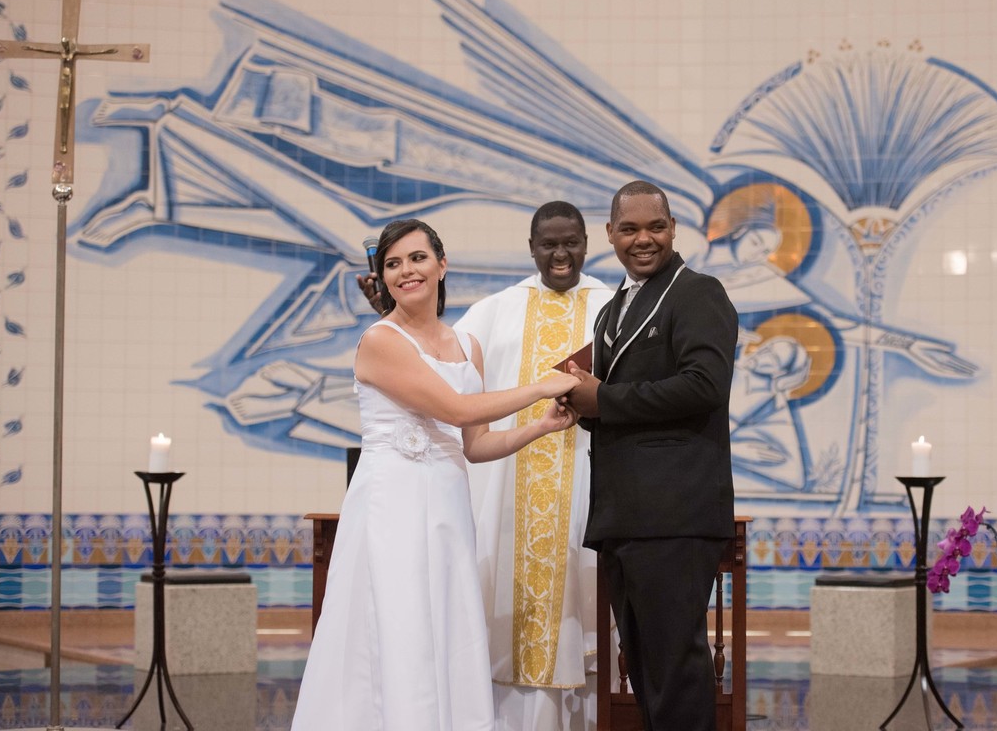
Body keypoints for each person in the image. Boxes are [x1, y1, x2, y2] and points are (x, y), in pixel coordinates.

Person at [292, 219, 580, 731]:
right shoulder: (380, 341)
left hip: (447, 505)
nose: (407, 271)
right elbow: (455, 408)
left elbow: (477, 443)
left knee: (444, 623)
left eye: (418, 258)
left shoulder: (468, 345)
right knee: (397, 623)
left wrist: (540, 426)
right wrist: (541, 386)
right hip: (391, 504)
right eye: (393, 264)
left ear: (441, 265)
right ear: (381, 278)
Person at [563, 181, 738, 731]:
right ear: (610, 235)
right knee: (645, 667)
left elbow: (705, 386)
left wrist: (603, 398)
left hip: (675, 511)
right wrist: (581, 401)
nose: (644, 239)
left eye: (655, 227)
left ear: (673, 229)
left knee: (675, 667)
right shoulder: (613, 307)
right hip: (626, 512)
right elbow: (620, 397)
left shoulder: (698, 291)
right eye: (630, 228)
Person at [452, 201, 613, 731]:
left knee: (583, 607)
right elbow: (440, 366)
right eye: (549, 244)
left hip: (589, 487)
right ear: (532, 247)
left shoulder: (615, 306)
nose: (561, 254)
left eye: (571, 242)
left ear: (588, 243)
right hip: (506, 491)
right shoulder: (493, 311)